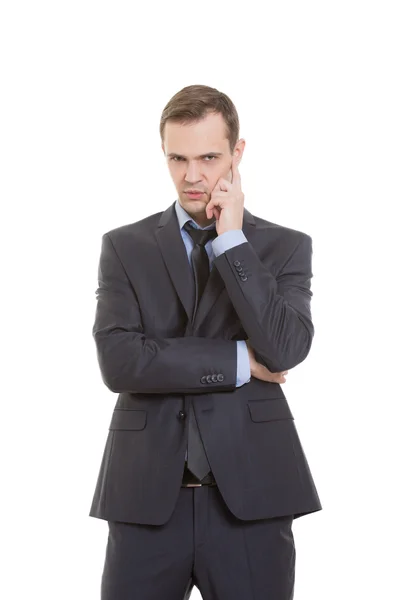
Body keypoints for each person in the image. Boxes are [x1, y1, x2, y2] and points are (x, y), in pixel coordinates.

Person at [89, 84, 322, 600]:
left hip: (252, 498)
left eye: (209, 157)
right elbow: (119, 361)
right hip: (146, 499)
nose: (192, 176)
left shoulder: (284, 247)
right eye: (177, 158)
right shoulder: (124, 247)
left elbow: (284, 348)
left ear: (237, 154)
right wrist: (239, 359)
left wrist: (232, 240)